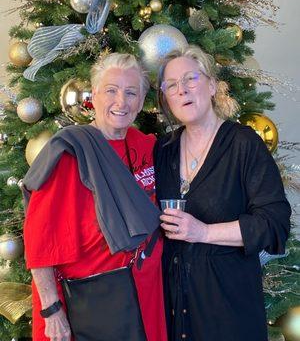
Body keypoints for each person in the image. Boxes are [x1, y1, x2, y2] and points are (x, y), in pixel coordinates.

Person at [23, 53, 167, 341]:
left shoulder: (149, 147)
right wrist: (52, 312)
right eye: (111, 90)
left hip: (146, 298)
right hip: (89, 306)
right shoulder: (69, 153)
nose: (121, 102)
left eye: (131, 93)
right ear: (95, 95)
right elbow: (39, 241)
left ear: (140, 102)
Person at [154, 45, 291, 341]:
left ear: (212, 85)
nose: (182, 90)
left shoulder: (244, 145)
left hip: (229, 311)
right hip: (175, 312)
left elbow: (275, 223)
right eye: (172, 85)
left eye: (190, 79)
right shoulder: (163, 150)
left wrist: (203, 232)